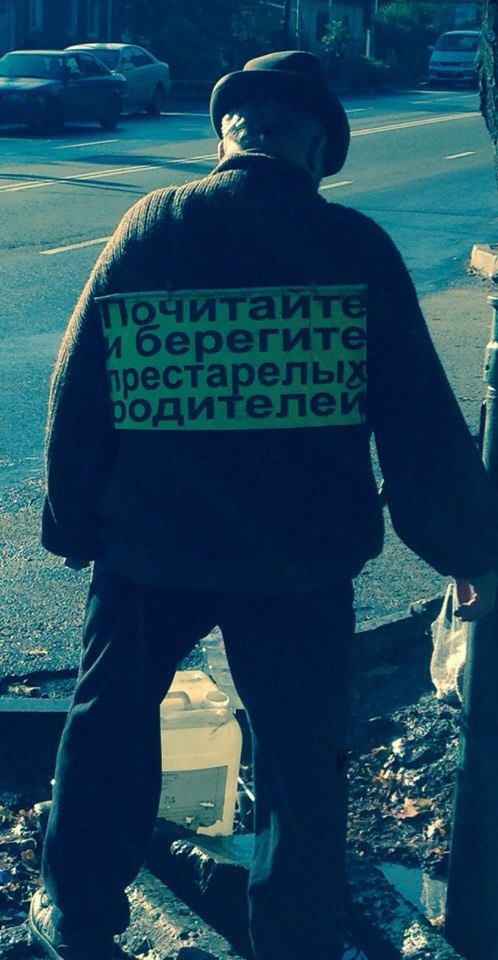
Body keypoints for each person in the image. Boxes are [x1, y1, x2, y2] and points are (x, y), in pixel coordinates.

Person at [28, 50, 498, 960]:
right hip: (299, 563)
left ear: (227, 134)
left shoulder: (153, 224)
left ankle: (77, 920)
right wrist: (468, 553)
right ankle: (296, 940)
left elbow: (79, 389)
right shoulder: (353, 247)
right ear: (316, 148)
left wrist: (73, 522)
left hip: (151, 549)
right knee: (299, 763)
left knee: (109, 729)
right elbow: (419, 424)